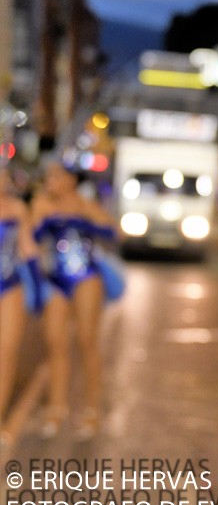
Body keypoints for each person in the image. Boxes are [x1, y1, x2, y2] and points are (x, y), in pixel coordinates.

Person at [31, 161, 119, 440]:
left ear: (70, 180)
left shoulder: (85, 205)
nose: (49, 181)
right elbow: (32, 238)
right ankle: (57, 408)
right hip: (56, 278)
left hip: (86, 277)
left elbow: (115, 231)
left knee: (86, 340)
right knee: (55, 342)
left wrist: (93, 220)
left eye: (55, 176)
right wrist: (41, 215)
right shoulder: (42, 204)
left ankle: (91, 410)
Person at [0, 167, 43, 443]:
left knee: (7, 353)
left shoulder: (17, 208)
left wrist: (37, 289)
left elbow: (28, 249)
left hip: (9, 286)